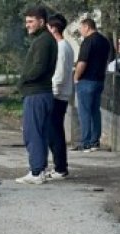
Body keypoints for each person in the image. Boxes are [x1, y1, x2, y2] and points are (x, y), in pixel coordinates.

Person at [14, 6, 58, 185]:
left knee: (33, 134)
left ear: (41, 21)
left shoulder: (43, 41)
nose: (27, 25)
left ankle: (37, 171)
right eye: (26, 22)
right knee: (39, 133)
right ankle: (39, 170)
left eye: (31, 21)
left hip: (36, 93)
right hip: (41, 93)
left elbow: (38, 68)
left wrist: (23, 80)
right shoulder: (45, 39)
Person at [73, 17, 112, 152]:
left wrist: (76, 77)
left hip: (86, 80)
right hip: (99, 80)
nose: (80, 31)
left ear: (87, 27)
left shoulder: (88, 41)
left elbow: (82, 62)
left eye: (81, 28)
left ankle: (86, 142)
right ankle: (95, 141)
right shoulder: (104, 41)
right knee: (95, 111)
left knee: (84, 112)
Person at [46, 14, 75, 180]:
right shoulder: (65, 46)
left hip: (57, 95)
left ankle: (60, 168)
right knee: (55, 131)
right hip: (60, 94)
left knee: (54, 132)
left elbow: (60, 74)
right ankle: (59, 166)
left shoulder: (62, 47)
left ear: (53, 28)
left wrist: (53, 92)